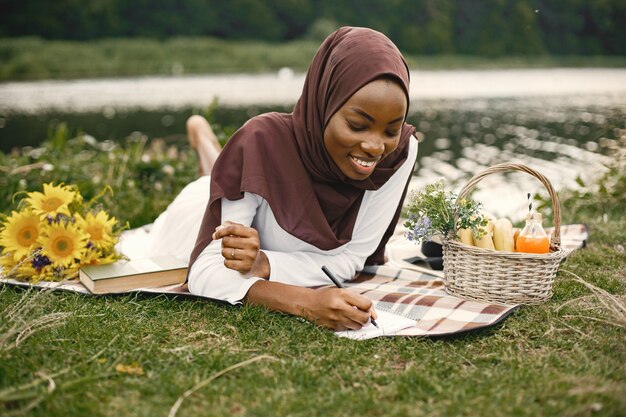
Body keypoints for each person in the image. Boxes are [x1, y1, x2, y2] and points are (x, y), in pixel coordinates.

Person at [121, 26, 418, 331]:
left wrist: (264, 264)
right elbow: (206, 270)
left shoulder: (397, 155)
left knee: (220, 173)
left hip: (246, 200)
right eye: (357, 125)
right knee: (209, 185)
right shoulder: (260, 140)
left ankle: (205, 144)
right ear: (323, 104)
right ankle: (204, 141)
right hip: (195, 212)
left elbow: (352, 259)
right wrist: (306, 302)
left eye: (391, 130)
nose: (374, 146)